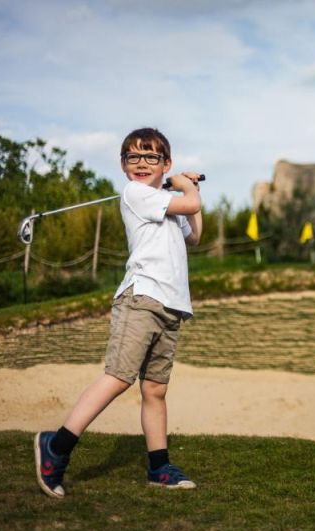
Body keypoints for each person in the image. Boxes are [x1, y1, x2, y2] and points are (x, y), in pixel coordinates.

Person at [34, 128, 203, 498]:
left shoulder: (164, 201)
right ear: (124, 166)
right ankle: (56, 446)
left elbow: (195, 234)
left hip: (170, 306)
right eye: (133, 157)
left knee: (155, 389)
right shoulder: (137, 193)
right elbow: (189, 205)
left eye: (151, 157)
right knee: (118, 377)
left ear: (166, 163)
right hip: (141, 298)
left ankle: (159, 467)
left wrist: (191, 189)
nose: (142, 163)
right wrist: (184, 188)